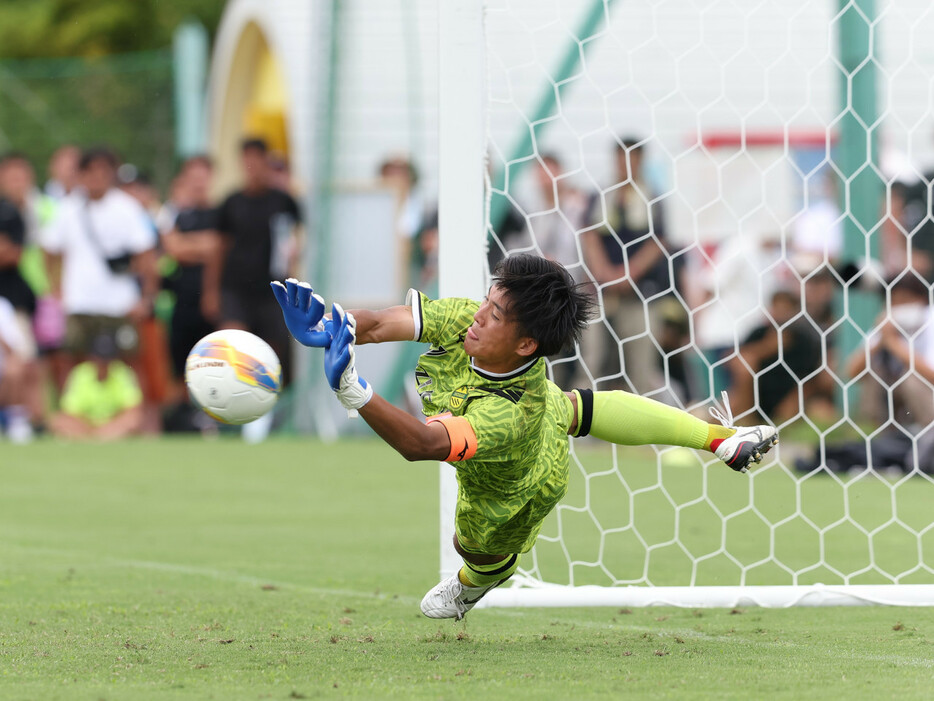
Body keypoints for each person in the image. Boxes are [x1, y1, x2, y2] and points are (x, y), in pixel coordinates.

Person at [271, 254, 778, 620]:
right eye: (486, 303)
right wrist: (330, 323)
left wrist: (353, 390)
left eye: (493, 315)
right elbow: (382, 324)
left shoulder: (507, 415)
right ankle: (720, 439)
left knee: (472, 548)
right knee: (574, 405)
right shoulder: (470, 322)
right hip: (539, 409)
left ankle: (476, 585)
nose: (477, 315)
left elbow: (421, 446)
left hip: (515, 488)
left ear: (526, 343)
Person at [41, 147, 159, 371]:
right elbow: (49, 249)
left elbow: (146, 256)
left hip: (120, 304)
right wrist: (55, 288)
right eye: (90, 170)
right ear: (81, 174)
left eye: (103, 171)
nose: (96, 176)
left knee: (127, 365)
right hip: (79, 302)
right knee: (76, 364)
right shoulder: (67, 208)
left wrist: (147, 298)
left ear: (112, 174)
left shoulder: (127, 207)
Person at [579, 137, 672, 397]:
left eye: (632, 158)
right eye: (621, 158)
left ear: (641, 161)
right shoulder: (600, 197)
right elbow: (589, 234)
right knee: (591, 355)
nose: (626, 164)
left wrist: (629, 273)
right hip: (600, 291)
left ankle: (641, 420)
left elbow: (658, 241)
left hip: (641, 291)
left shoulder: (652, 198)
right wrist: (605, 273)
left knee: (641, 357)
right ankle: (582, 417)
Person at [215, 138, 301, 383]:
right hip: (236, 286)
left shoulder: (283, 202)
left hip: (273, 288)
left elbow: (295, 240)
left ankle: (269, 402)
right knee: (234, 343)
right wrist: (212, 290)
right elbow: (219, 248)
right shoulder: (232, 203)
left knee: (272, 350)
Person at [48, 332, 143, 441]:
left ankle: (91, 438)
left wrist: (105, 428)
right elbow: (70, 411)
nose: (103, 364)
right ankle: (98, 438)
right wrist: (93, 429)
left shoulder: (122, 372)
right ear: (92, 358)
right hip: (87, 426)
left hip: (113, 425)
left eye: (107, 360)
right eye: (100, 359)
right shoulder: (80, 373)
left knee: (133, 420)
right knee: (57, 421)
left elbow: (132, 410)